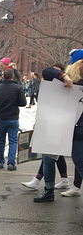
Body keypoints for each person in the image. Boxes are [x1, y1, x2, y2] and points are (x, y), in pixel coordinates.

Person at [36, 49, 83, 202]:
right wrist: (63, 77)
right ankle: (49, 191)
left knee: (79, 160)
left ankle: (75, 185)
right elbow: (46, 71)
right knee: (48, 157)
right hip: (60, 125)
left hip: (78, 129)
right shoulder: (66, 77)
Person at [0, 67, 26, 170]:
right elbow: (23, 103)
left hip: (1, 118)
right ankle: (11, 163)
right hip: (13, 117)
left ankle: (0, 162)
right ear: (13, 76)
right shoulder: (17, 88)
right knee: (13, 141)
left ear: (3, 76)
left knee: (0, 141)